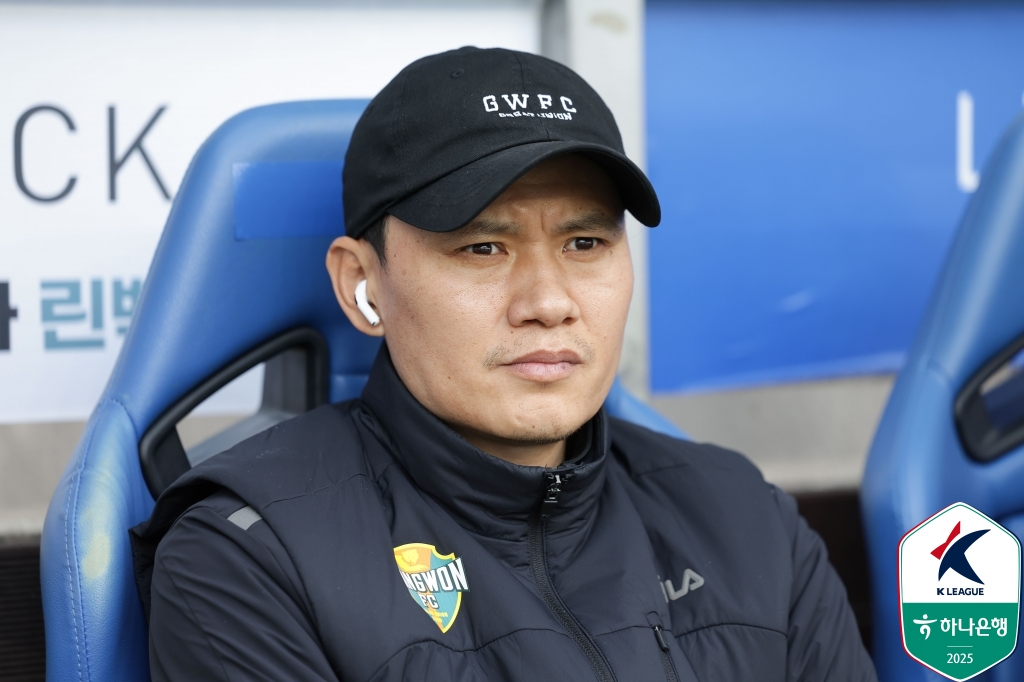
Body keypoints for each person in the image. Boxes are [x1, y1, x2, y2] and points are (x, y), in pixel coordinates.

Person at [131, 47, 876, 682]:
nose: (549, 303)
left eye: (585, 244)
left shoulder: (743, 518)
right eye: (482, 247)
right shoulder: (250, 554)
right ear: (362, 283)